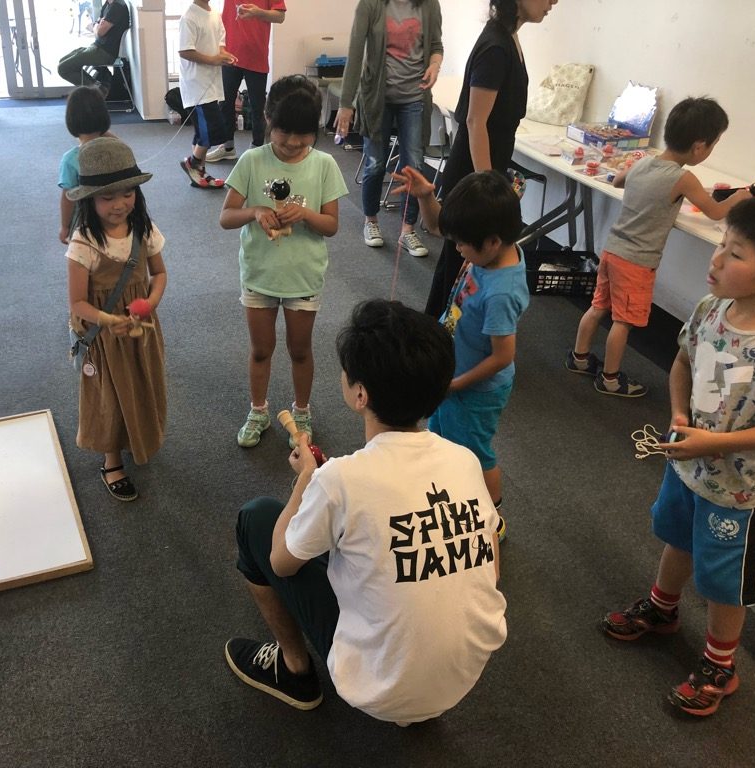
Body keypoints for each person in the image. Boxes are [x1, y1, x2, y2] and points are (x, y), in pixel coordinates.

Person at [225, 298, 506, 722]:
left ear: (360, 394)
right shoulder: (464, 461)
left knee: (256, 518)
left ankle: (293, 669)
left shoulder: (338, 479)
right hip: (459, 678)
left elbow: (280, 562)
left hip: (379, 685)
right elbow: (492, 570)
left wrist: (307, 480)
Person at [601, 197, 755, 717]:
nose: (716, 259)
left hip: (741, 491)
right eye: (721, 245)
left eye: (735, 253)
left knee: (723, 579)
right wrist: (678, 413)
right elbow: (682, 363)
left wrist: (710, 444)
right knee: (677, 536)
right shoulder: (709, 309)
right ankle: (662, 608)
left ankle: (721, 664)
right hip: (687, 465)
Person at [566, 98, 751, 397]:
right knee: (623, 323)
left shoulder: (644, 162)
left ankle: (579, 358)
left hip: (612, 250)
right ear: (699, 147)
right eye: (714, 144)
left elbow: (618, 180)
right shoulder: (683, 177)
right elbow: (716, 212)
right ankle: (610, 379)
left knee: (598, 307)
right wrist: (739, 198)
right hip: (636, 262)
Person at [399, 167, 528, 540]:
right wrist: (427, 195)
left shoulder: (501, 291)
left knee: (474, 454)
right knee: (442, 439)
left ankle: (492, 517)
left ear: (491, 242)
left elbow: (502, 357)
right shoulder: (491, 249)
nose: (456, 249)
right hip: (453, 376)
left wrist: (456, 385)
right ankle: (450, 493)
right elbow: (440, 227)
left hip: (475, 391)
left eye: (462, 245)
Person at [219, 75, 348, 449]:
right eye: (284, 133)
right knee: (260, 349)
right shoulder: (252, 160)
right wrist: (255, 211)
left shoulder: (324, 165)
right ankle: (258, 410)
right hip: (259, 274)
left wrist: (305, 214)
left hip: (303, 277)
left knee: (300, 349)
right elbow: (226, 217)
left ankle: (302, 411)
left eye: (303, 135)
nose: (292, 142)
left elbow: (332, 226)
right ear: (267, 119)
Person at [424, 0, 558, 317]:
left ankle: (434, 333)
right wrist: (488, 192)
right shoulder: (497, 46)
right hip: (473, 173)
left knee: (457, 266)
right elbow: (475, 122)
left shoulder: (507, 36)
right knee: (460, 266)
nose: (554, 1)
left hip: (482, 169)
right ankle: (440, 337)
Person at [66, 138, 167, 502]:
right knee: (109, 394)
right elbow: (77, 302)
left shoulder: (144, 228)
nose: (120, 204)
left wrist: (149, 303)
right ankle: (111, 460)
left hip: (139, 330)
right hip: (104, 336)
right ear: (89, 200)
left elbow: (159, 274)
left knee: (141, 382)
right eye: (107, 197)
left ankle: (138, 437)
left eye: (128, 193)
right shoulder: (84, 243)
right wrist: (109, 320)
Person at [334, 0, 443, 258]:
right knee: (375, 163)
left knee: (414, 166)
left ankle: (407, 229)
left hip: (415, 97)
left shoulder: (429, 4)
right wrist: (346, 104)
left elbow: (436, 45)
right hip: (376, 98)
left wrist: (434, 65)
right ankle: (371, 220)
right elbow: (356, 52)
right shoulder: (370, 5)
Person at [204, 1, 287, 164]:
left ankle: (257, 149)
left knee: (258, 107)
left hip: (256, 55)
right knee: (225, 103)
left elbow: (280, 17)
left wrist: (258, 13)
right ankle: (227, 147)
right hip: (229, 54)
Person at [178, 0, 237, 189]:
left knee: (202, 133)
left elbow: (220, 44)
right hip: (196, 84)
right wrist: (213, 60)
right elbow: (185, 51)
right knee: (213, 130)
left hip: (211, 83)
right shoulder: (189, 17)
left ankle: (199, 173)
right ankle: (193, 163)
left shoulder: (214, 14)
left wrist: (224, 56)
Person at [58, 85, 113, 244]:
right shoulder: (116, 149)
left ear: (71, 121)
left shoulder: (70, 159)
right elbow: (124, 147)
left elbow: (68, 197)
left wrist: (64, 226)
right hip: (115, 215)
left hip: (86, 222)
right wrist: (101, 128)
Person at [57, 0, 131, 89]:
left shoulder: (117, 7)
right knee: (62, 61)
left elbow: (99, 32)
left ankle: (98, 90)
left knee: (63, 68)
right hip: (97, 47)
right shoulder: (108, 4)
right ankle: (96, 87)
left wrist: (96, 26)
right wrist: (97, 26)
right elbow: (96, 24)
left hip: (105, 53)